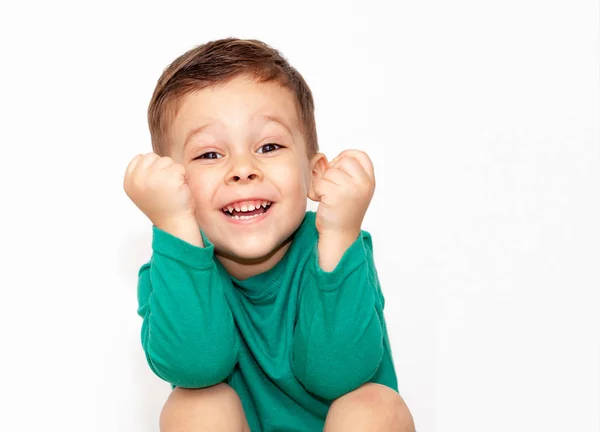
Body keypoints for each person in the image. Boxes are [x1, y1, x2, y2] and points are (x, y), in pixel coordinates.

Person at [123, 37, 415, 432]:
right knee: (195, 406)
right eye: (210, 154)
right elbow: (195, 365)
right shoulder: (170, 270)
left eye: (269, 146)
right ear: (173, 183)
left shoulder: (341, 247)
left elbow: (337, 373)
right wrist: (174, 225)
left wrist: (341, 231)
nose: (243, 169)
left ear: (315, 175)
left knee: (374, 406)